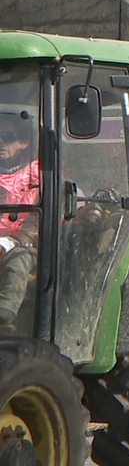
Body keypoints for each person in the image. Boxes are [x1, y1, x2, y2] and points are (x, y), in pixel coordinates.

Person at [0, 113, 39, 327]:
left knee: (18, 259)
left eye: (8, 136)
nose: (0, 142)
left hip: (25, 246)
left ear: (24, 142)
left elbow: (42, 224)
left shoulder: (40, 177)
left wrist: (14, 240)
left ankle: (3, 318)